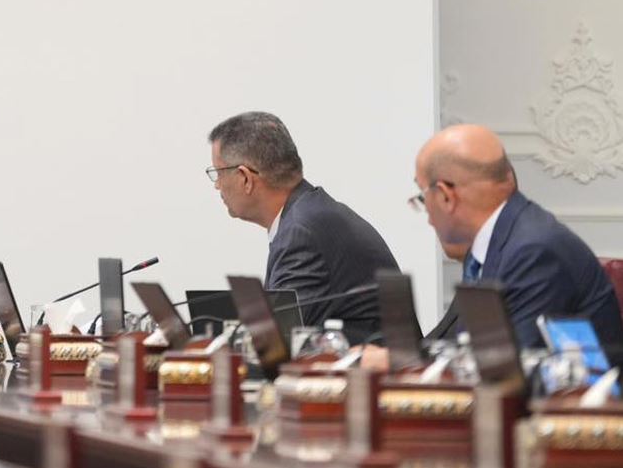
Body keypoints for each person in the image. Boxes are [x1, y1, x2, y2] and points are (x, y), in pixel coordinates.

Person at [414, 124, 623, 353]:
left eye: (422, 197)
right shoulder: (498, 244)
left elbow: (506, 366)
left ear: (445, 196)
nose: (428, 218)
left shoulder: (534, 252)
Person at [208, 111, 399, 342]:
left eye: (217, 173)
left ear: (245, 178)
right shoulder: (309, 214)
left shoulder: (302, 232)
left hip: (375, 363)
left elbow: (282, 340)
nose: (217, 186)